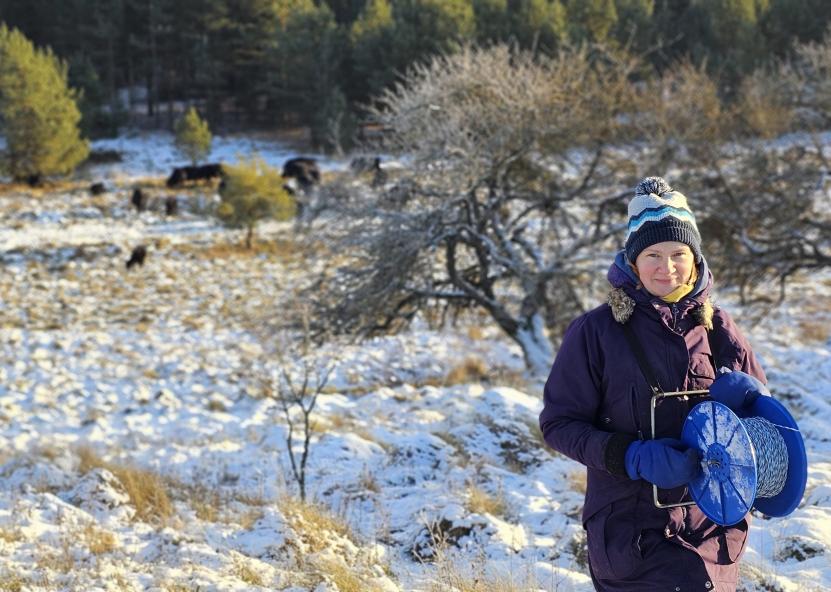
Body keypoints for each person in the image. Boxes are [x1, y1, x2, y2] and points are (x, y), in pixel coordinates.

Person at [539, 176, 769, 592]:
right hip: (632, 536)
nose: (667, 268)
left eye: (679, 253)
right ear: (632, 262)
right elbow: (559, 425)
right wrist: (631, 456)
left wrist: (749, 402)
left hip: (713, 531)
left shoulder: (719, 329)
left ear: (695, 258)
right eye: (653, 254)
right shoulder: (596, 332)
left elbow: (763, 428)